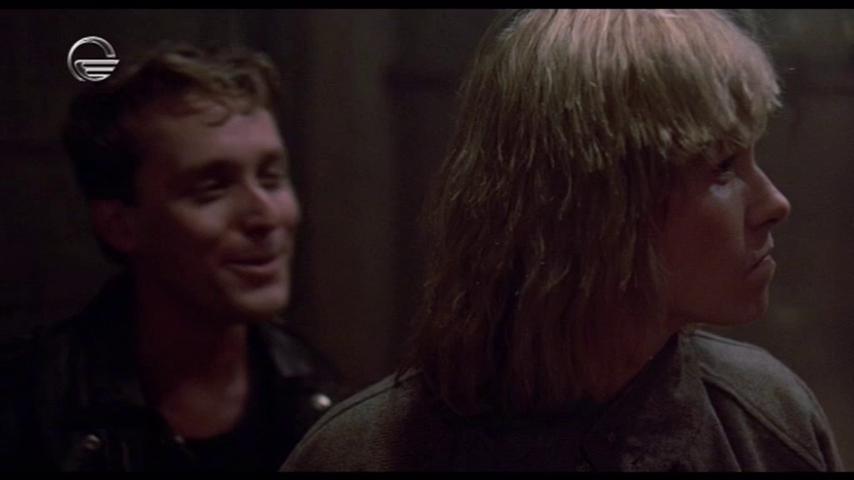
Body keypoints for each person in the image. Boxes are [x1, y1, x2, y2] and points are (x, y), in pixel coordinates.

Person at [282, 10, 844, 471]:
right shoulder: (363, 455)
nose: (774, 204)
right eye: (722, 166)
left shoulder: (767, 420)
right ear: (600, 203)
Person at [0, 43, 339, 471]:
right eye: (212, 188)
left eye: (271, 178)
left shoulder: (315, 397)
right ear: (121, 225)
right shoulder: (30, 412)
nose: (266, 216)